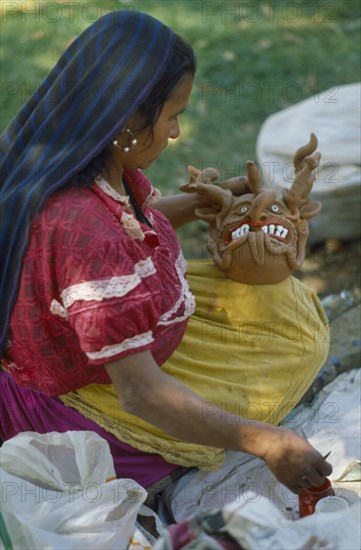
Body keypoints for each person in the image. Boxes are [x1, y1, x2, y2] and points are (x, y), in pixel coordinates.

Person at [0, 10, 332, 518]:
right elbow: (140, 393)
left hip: (106, 346)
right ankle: (151, 463)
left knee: (279, 314)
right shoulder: (84, 232)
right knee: (280, 344)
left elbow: (137, 218)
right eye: (171, 115)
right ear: (128, 118)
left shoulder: (91, 162)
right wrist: (266, 442)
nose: (176, 132)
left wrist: (206, 205)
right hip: (78, 407)